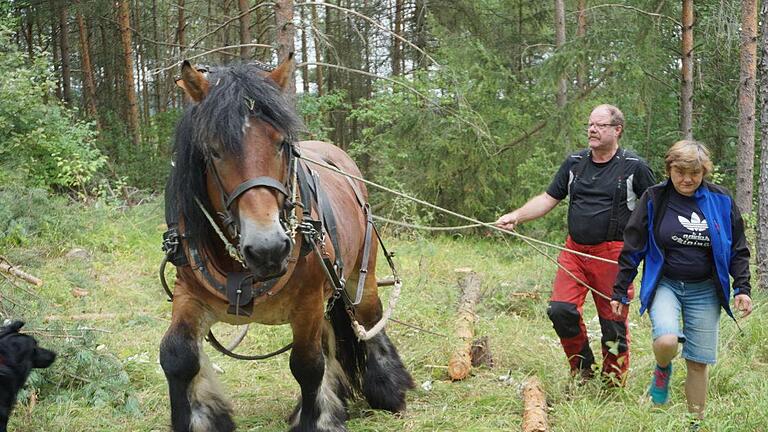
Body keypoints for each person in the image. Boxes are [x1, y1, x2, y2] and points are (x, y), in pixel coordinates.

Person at [496, 104, 655, 383]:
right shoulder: (574, 162)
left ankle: (613, 380)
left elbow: (655, 210)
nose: (592, 130)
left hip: (613, 256)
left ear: (617, 130)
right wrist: (516, 216)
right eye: (590, 124)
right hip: (575, 252)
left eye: (600, 125)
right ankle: (582, 370)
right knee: (560, 310)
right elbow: (548, 199)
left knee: (613, 324)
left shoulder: (635, 167)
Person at [610, 140, 752, 424]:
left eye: (695, 173)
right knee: (666, 340)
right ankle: (662, 368)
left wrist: (742, 288)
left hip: (706, 290)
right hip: (667, 284)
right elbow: (633, 246)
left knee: (698, 363)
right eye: (680, 172)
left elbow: (737, 246)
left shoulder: (721, 200)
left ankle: (694, 424)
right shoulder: (654, 198)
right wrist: (620, 290)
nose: (687, 179)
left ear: (704, 172)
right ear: (669, 169)